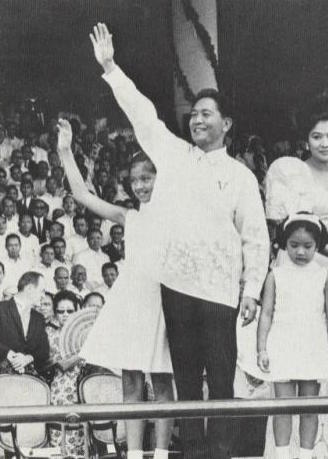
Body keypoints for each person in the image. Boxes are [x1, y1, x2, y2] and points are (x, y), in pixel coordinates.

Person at [90, 23, 270, 459]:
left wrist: (250, 292)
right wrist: (112, 68)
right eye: (193, 113)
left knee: (222, 380)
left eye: (207, 113)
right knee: (187, 381)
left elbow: (256, 239)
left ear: (226, 123)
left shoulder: (240, 176)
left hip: (222, 292)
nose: (197, 119)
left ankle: (221, 454)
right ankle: (191, 453)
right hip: (177, 289)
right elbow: (143, 115)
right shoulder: (172, 156)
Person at [240, 90, 328, 458]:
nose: (324, 143)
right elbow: (289, 230)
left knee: (325, 369)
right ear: (305, 140)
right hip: (298, 265)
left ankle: (319, 451)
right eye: (316, 136)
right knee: (287, 375)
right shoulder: (288, 170)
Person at [58, 119, 175, 459]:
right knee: (132, 382)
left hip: (164, 301)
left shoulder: (178, 216)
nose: (140, 185)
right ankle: (136, 453)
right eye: (135, 179)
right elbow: (81, 194)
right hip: (132, 303)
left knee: (163, 381)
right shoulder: (128, 217)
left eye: (147, 177)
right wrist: (66, 151)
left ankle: (163, 453)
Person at [256, 213, 328, 459]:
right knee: (283, 405)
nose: (300, 252)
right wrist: (262, 348)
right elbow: (266, 313)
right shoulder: (276, 275)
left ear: (317, 245)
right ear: (284, 244)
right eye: (294, 245)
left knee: (309, 406)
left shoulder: (323, 275)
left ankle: (305, 454)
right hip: (283, 341)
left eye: (307, 246)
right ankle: (282, 454)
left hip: (312, 342)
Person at [47, 290, 85, 456]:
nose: (65, 315)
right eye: (61, 311)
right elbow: (61, 364)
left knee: (82, 432)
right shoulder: (49, 332)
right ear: (55, 312)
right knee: (60, 431)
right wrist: (84, 353)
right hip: (61, 388)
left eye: (70, 311)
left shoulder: (85, 332)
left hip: (83, 386)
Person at [0, 271, 49, 375]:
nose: (44, 296)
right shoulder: (1, 309)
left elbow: (44, 351)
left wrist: (28, 358)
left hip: (29, 381)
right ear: (29, 288)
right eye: (42, 291)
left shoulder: (39, 318)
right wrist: (9, 354)